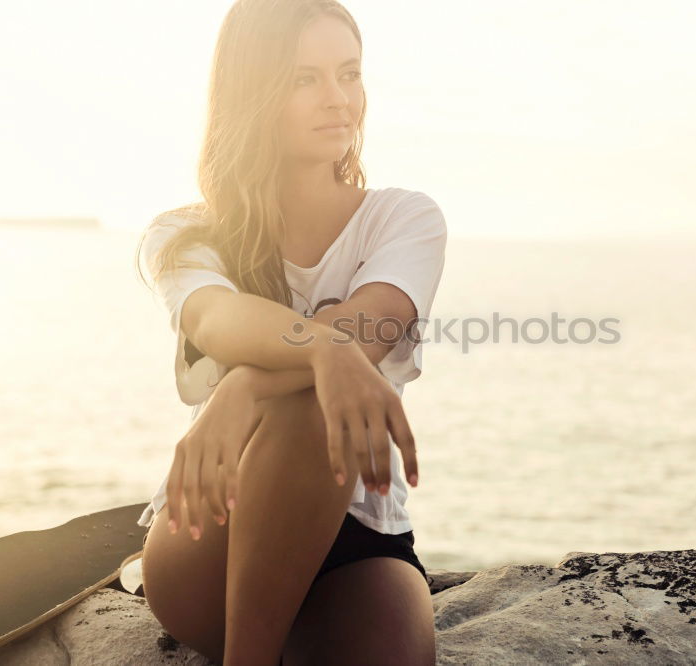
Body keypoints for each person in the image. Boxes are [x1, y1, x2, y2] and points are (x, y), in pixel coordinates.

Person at [133, 1, 447, 663]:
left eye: (349, 73)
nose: (338, 99)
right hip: (211, 530)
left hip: (361, 537)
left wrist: (244, 388)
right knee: (311, 401)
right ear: (254, 91)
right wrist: (326, 347)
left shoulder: (404, 219)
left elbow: (369, 330)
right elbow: (217, 320)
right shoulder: (185, 235)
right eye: (305, 79)